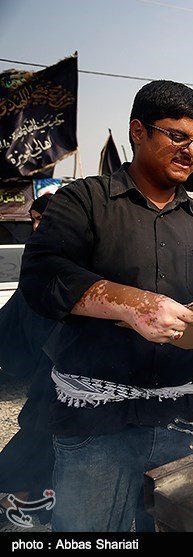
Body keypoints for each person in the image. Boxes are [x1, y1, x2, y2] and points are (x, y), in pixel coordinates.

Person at [17, 80, 193, 532]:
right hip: (97, 424)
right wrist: (128, 302)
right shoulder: (85, 201)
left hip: (182, 420)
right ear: (137, 131)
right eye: (176, 136)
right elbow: (42, 277)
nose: (190, 151)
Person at [0, 194, 58, 527]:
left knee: (44, 437)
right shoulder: (37, 256)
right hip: (44, 369)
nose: (36, 226)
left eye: (43, 219)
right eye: (33, 220)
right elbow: (20, 309)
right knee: (37, 432)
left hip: (67, 369)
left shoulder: (79, 254)